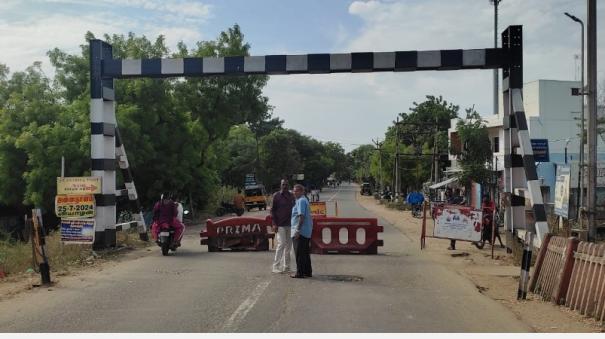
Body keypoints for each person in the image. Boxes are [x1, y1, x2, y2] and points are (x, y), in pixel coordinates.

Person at [271, 179, 295, 273]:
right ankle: (276, 267)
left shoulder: (291, 196)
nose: (284, 186)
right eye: (283, 184)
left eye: (286, 184)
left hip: (290, 224)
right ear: (280, 185)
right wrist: (274, 223)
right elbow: (272, 211)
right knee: (281, 244)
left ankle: (287, 267)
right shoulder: (276, 196)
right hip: (280, 224)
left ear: (288, 185)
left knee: (289, 246)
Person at [291, 184, 313, 278]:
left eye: (297, 191)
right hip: (305, 231)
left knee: (299, 253)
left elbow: (301, 216)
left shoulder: (301, 201)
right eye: (294, 191)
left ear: (302, 192)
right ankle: (307, 271)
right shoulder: (303, 200)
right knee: (305, 253)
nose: (294, 192)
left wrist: (297, 230)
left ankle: (300, 272)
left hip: (301, 231)